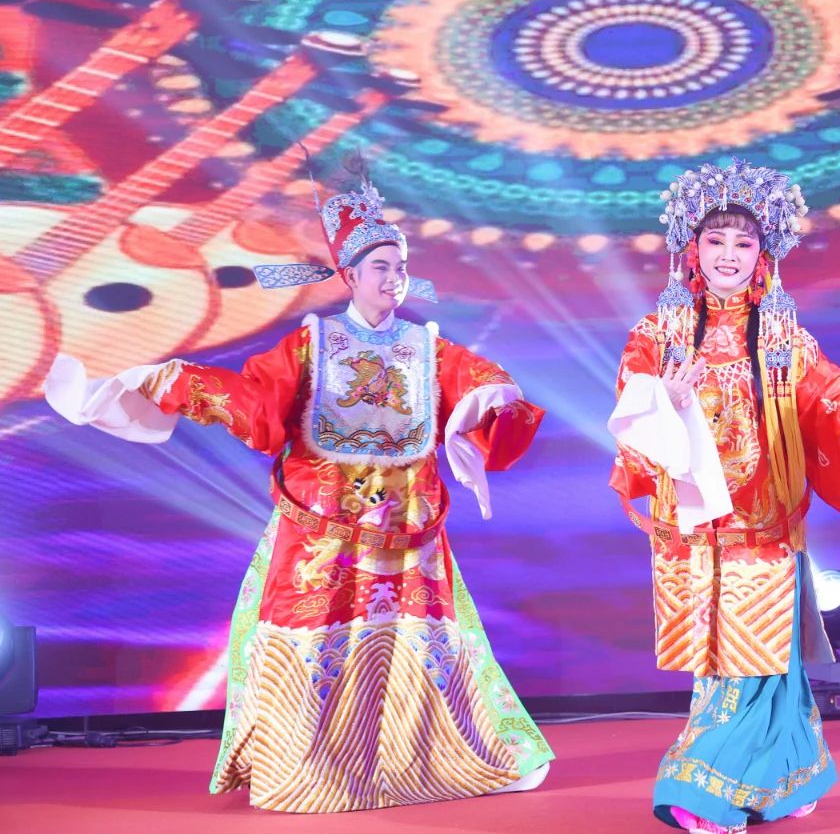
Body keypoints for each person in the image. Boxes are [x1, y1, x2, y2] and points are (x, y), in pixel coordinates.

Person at [45, 168, 553, 812]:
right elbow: (256, 403)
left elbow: (480, 378)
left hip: (407, 530)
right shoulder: (313, 342)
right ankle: (312, 771)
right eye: (381, 267)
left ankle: (426, 764)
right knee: (314, 638)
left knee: (419, 641)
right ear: (349, 275)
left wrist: (494, 394)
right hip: (324, 532)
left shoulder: (428, 348)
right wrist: (174, 380)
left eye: (400, 267)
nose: (394, 278)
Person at [608, 159, 840, 833]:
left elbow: (835, 407)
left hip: (764, 531)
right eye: (716, 240)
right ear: (692, 248)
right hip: (693, 532)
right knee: (725, 665)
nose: (728, 255)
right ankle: (768, 782)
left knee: (758, 662)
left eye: (743, 242)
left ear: (762, 253)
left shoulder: (785, 338)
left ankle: (712, 788)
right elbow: (630, 412)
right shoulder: (657, 335)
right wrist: (663, 399)